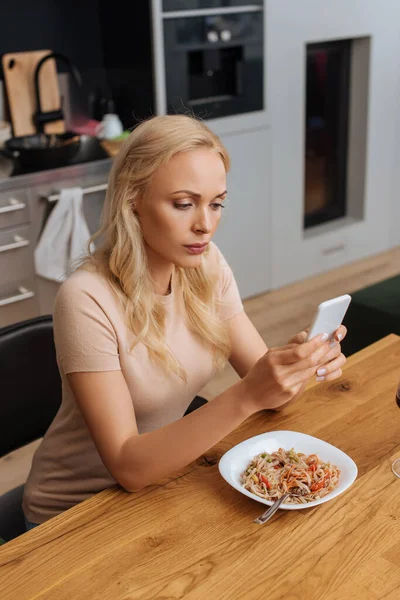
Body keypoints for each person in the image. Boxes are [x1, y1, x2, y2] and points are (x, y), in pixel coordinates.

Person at [22, 114, 347, 529]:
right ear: (133, 199)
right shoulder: (86, 299)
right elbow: (127, 466)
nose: (205, 225)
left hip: (161, 486)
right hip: (73, 516)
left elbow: (271, 392)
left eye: (216, 204)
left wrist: (297, 364)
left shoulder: (206, 265)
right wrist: (247, 395)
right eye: (183, 204)